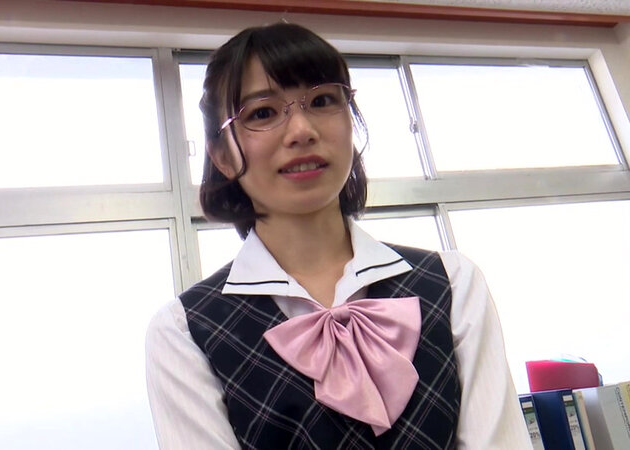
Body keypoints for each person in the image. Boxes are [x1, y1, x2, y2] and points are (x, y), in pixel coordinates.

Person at [146, 23, 532, 449]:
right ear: (221, 154)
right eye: (262, 113)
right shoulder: (184, 332)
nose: (301, 130)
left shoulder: (453, 282)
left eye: (322, 100)